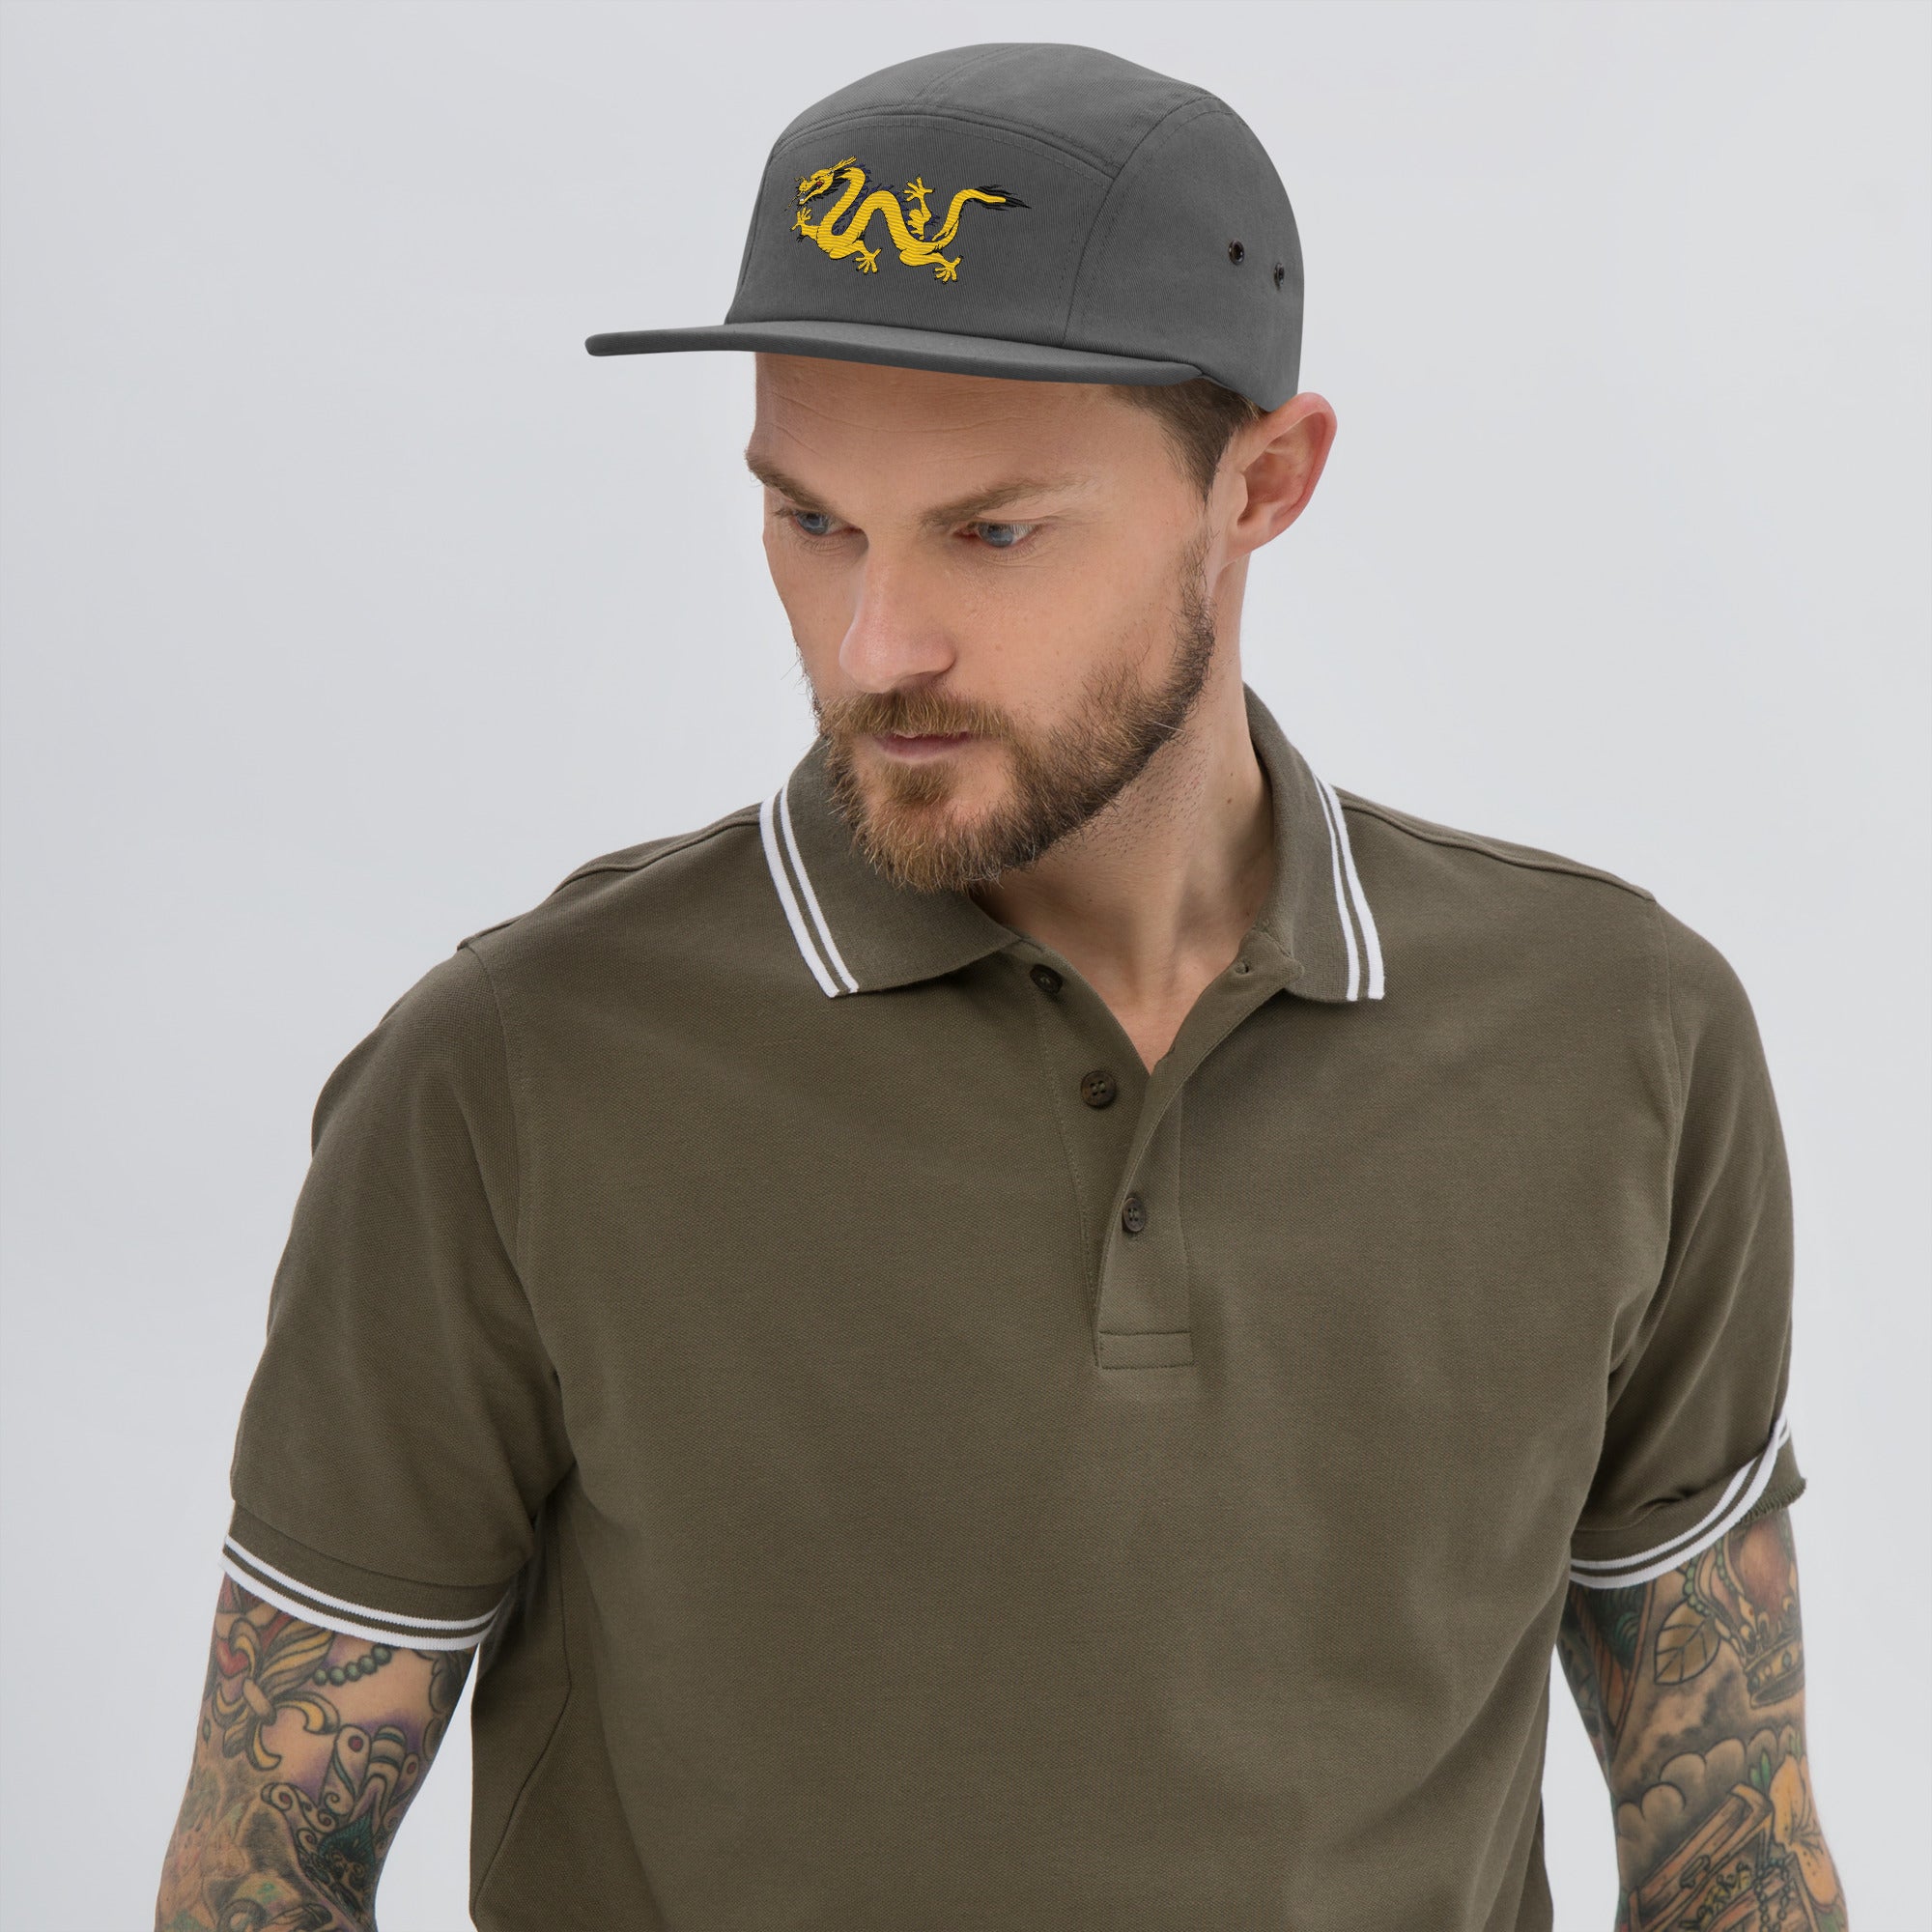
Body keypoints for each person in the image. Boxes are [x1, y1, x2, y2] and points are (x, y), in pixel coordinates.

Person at [155, 41, 1847, 1932]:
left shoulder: (1618, 1041)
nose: (875, 644)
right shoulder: (510, 1075)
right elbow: (262, 1873)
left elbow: (1731, 1852)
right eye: (812, 519)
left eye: (992, 532)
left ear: (1263, 483)